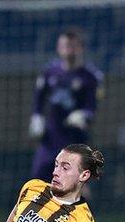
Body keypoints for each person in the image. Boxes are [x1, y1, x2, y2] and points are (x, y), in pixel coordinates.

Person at [29, 28, 103, 183]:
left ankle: (84, 207)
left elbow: (92, 107)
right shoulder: (50, 72)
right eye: (64, 45)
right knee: (38, 179)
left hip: (75, 138)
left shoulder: (90, 76)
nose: (68, 50)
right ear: (58, 48)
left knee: (75, 183)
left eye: (72, 46)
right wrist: (36, 117)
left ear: (80, 48)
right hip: (51, 135)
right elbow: (39, 98)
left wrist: (83, 115)